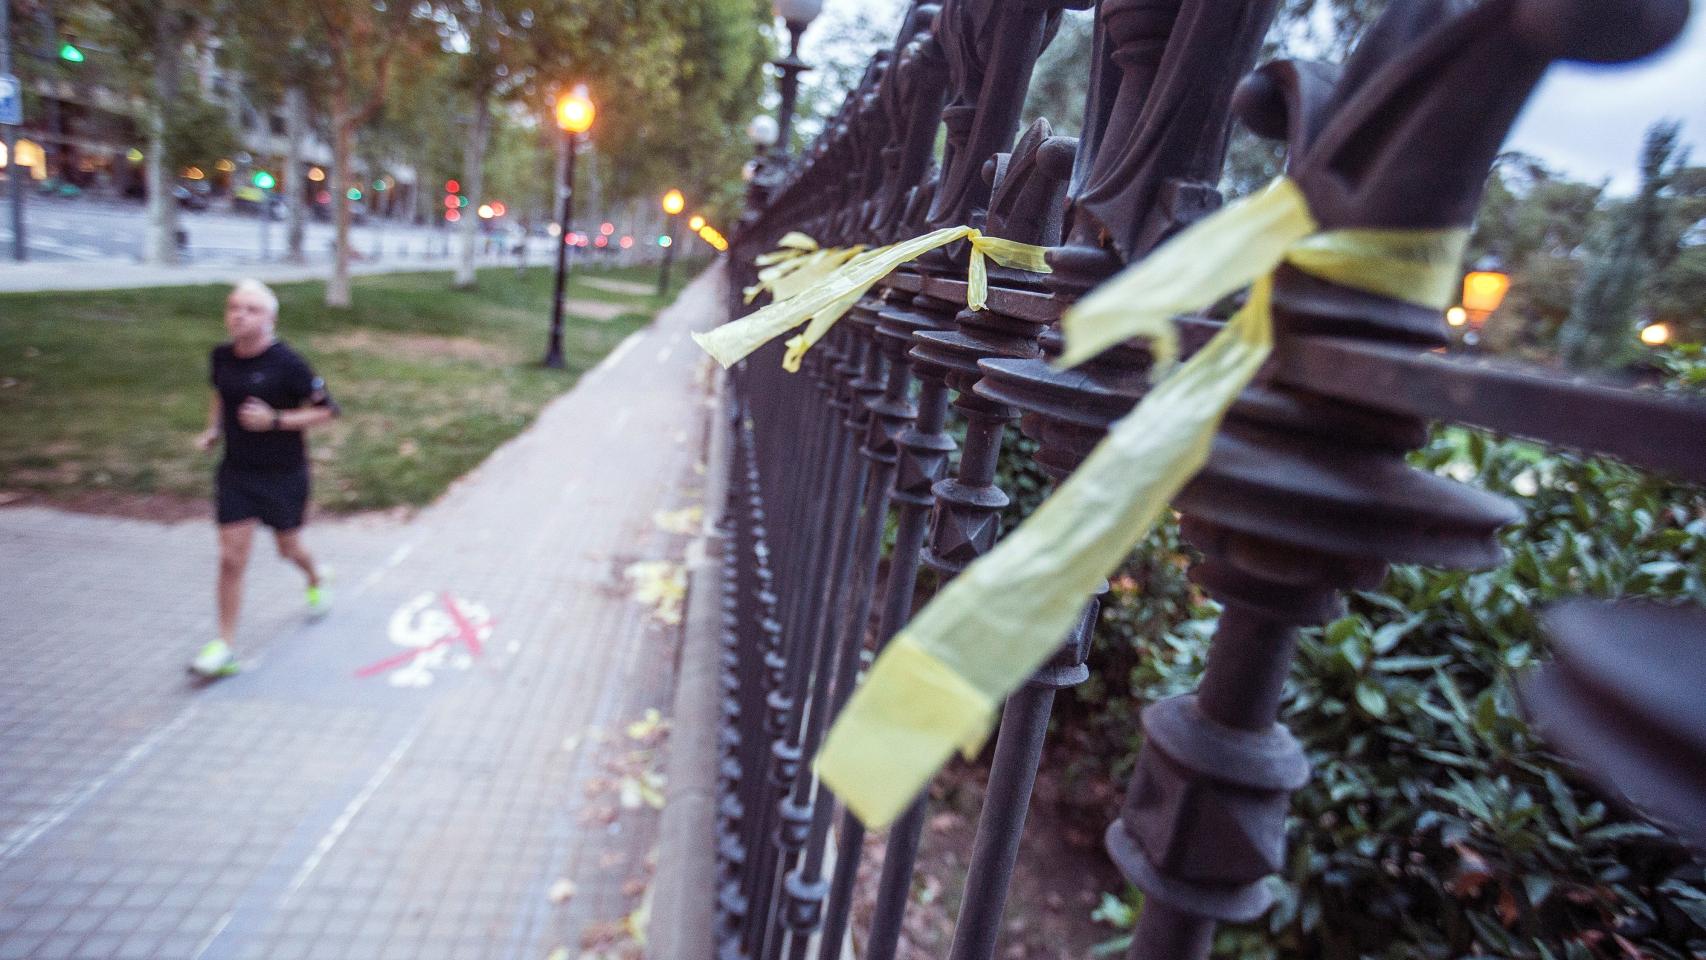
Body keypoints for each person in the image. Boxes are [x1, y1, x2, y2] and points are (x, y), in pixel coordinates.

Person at [191, 279, 340, 677]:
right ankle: (224, 646)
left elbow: (327, 411)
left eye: (250, 309)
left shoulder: (289, 363)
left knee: (288, 549)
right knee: (230, 558)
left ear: (270, 319)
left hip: (283, 474)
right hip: (236, 472)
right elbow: (221, 395)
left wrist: (275, 420)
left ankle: (316, 575)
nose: (238, 315)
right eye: (233, 307)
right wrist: (214, 430)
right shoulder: (221, 356)